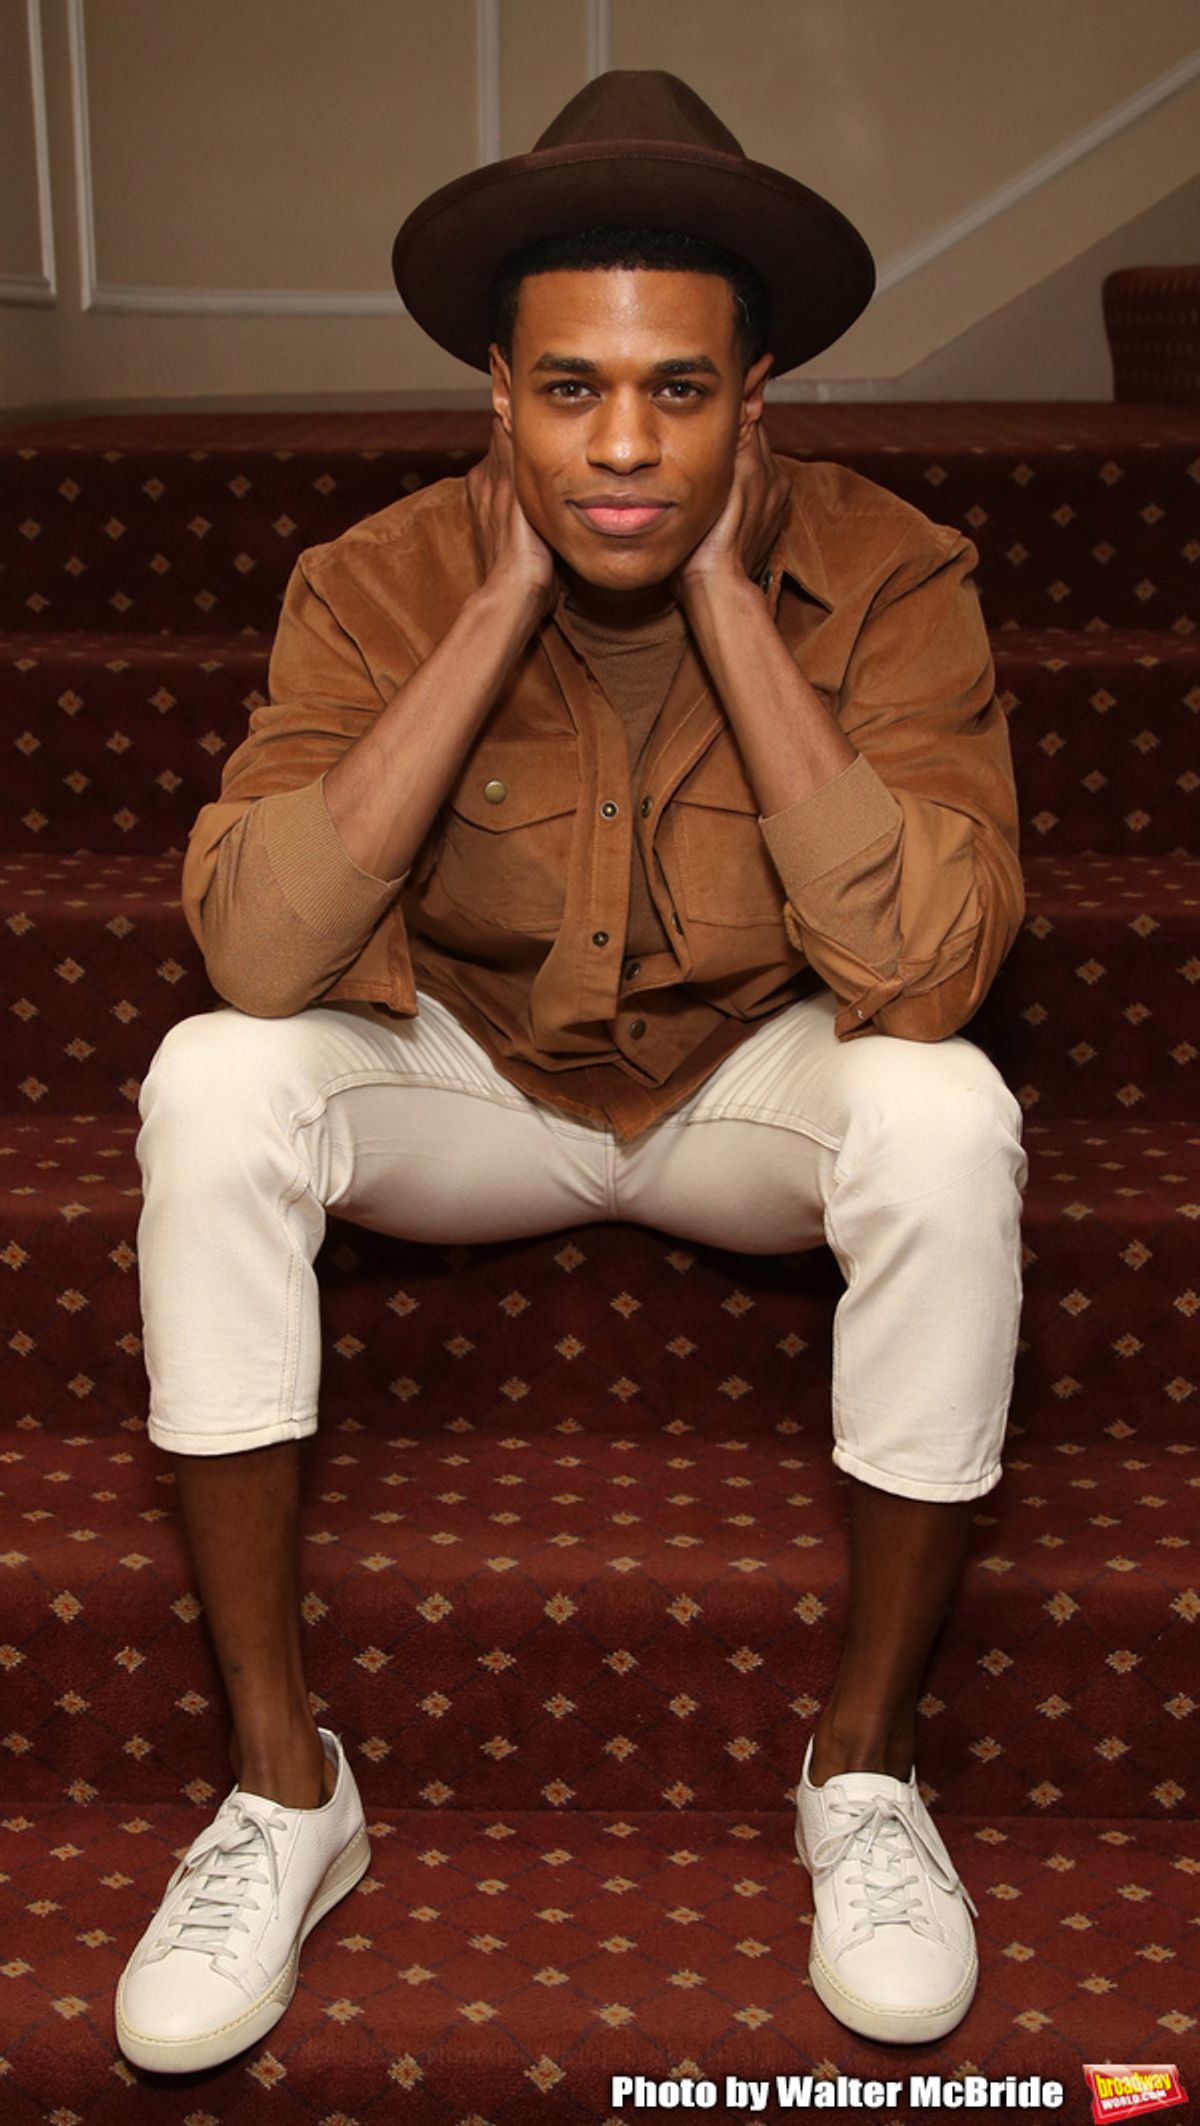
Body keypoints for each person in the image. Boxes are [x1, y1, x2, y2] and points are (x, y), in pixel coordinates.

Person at [115, 70, 1027, 2074]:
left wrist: (721, 600)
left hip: (743, 1095)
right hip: (480, 1094)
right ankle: (285, 1795)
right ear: (501, 399)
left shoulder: (895, 579)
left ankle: (863, 1776)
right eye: (573, 391)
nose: (624, 445)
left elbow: (930, 968)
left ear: (757, 393)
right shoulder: (371, 579)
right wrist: (504, 597)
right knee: (211, 1078)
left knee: (951, 1119)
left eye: (681, 393)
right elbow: (262, 947)